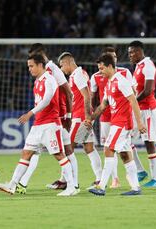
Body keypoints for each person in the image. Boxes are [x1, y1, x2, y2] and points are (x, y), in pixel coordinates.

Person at [0, 54, 77, 196]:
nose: (29, 69)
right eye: (28, 66)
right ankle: (12, 185)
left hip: (50, 124)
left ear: (40, 65)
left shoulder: (49, 79)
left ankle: (71, 187)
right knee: (26, 153)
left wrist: (30, 113)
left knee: (59, 155)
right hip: (38, 125)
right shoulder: (38, 81)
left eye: (31, 66)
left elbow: (46, 100)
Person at [16, 43, 77, 193]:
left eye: (35, 55)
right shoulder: (39, 75)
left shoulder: (53, 70)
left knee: (66, 152)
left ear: (42, 54)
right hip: (46, 117)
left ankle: (73, 184)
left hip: (58, 116)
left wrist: (68, 115)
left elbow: (69, 93)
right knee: (34, 151)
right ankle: (21, 183)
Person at [87, 53, 147, 196]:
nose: (100, 72)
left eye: (102, 68)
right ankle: (136, 188)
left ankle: (101, 186)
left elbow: (133, 101)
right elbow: (103, 106)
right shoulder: (109, 83)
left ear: (109, 66)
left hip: (122, 123)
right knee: (125, 155)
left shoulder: (121, 80)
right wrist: (91, 118)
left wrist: (140, 123)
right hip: (117, 123)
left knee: (108, 149)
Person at [58, 52, 103, 189]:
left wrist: (87, 117)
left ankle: (68, 181)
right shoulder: (78, 74)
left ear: (68, 62)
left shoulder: (77, 75)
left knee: (68, 148)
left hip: (81, 117)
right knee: (88, 147)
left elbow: (86, 95)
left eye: (61, 65)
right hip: (81, 116)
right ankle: (100, 179)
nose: (61, 69)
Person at [128, 40, 156, 187]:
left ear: (140, 51)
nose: (131, 55)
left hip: (148, 109)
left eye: (133, 52)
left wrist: (132, 101)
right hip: (138, 108)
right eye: (129, 53)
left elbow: (148, 90)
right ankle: (140, 171)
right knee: (125, 137)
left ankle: (155, 179)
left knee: (149, 141)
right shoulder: (138, 66)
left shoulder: (147, 65)